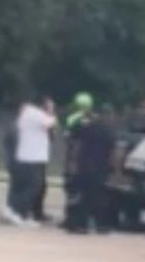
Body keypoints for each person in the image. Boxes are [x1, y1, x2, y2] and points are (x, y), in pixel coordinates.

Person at [65, 104, 118, 234]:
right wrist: (115, 170)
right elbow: (114, 153)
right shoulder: (109, 132)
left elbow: (77, 145)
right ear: (107, 115)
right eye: (110, 115)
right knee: (99, 198)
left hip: (84, 166)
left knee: (82, 197)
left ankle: (79, 224)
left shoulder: (87, 127)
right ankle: (101, 226)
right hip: (100, 168)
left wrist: (72, 163)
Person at [7, 94, 56, 227]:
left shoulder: (30, 114)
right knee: (33, 186)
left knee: (32, 186)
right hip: (32, 157)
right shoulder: (33, 113)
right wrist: (51, 111)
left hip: (33, 156)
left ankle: (18, 211)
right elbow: (51, 122)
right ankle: (20, 213)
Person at [61, 92, 95, 229]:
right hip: (91, 161)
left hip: (74, 159)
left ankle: (70, 218)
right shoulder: (94, 119)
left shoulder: (72, 119)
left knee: (71, 190)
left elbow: (68, 138)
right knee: (88, 192)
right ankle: (88, 218)